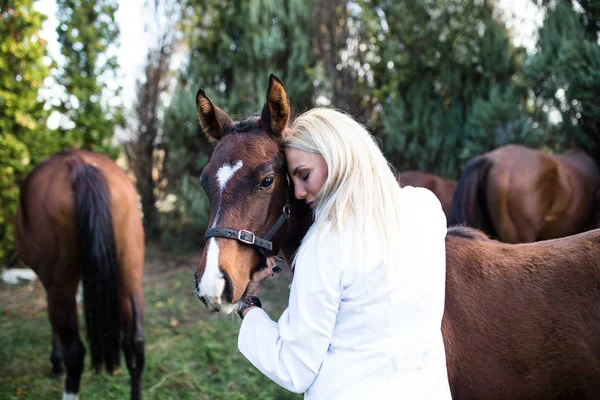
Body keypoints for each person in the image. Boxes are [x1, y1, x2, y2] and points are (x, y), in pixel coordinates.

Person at [236, 108, 452, 399]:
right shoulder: (426, 208)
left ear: (337, 157)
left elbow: (293, 368)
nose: (299, 192)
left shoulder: (324, 246)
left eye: (304, 175)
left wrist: (248, 306)